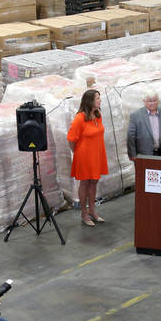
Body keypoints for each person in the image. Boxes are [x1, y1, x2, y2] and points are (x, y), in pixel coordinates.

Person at [66, 88, 109, 227]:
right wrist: (78, 153)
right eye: (98, 98)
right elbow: (71, 139)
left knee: (94, 182)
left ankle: (92, 210)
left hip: (97, 154)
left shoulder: (98, 115)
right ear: (90, 101)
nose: (100, 100)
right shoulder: (80, 118)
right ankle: (84, 213)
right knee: (85, 183)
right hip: (84, 156)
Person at [126, 91, 161, 160]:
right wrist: (132, 154)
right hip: (144, 154)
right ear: (144, 101)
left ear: (158, 100)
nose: (153, 103)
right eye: (150, 101)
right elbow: (130, 136)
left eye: (155, 100)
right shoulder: (136, 116)